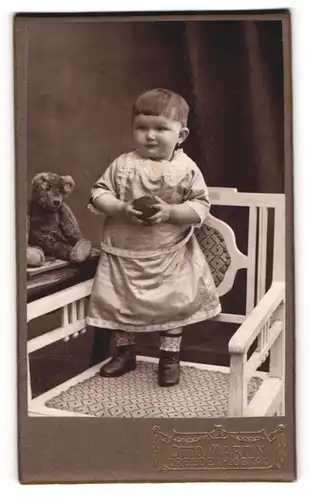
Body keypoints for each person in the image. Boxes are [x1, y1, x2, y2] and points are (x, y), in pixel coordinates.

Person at [86, 88, 221, 387]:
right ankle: (125, 352)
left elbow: (200, 204)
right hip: (125, 252)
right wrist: (120, 208)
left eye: (161, 128)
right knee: (120, 299)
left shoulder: (186, 168)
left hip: (168, 253)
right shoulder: (122, 165)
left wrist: (171, 212)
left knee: (172, 304)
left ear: (181, 135)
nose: (150, 136)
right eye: (142, 127)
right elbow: (98, 194)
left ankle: (170, 357)